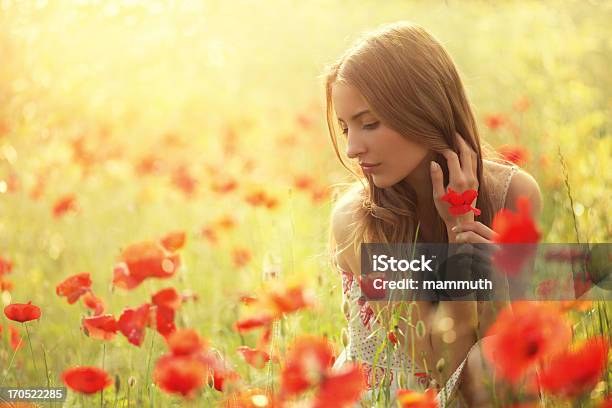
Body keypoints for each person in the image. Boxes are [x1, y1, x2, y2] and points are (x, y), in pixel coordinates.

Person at [324, 22, 542, 407]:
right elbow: (437, 365)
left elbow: (510, 352)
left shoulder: (514, 195)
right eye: (345, 128)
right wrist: (459, 241)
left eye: (369, 123)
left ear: (424, 111)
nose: (353, 148)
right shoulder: (356, 221)